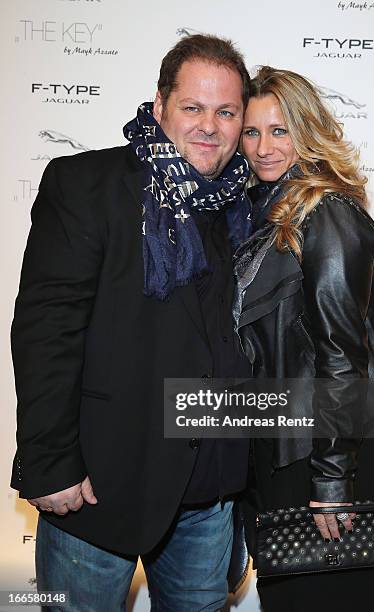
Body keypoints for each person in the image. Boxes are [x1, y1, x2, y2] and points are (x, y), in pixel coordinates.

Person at [10, 34, 253, 612]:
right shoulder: (85, 184)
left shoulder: (241, 205)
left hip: (207, 499)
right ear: (160, 103)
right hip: (97, 491)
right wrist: (49, 464)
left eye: (226, 112)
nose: (208, 126)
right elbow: (46, 331)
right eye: (193, 107)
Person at [234, 66, 374, 612]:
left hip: (326, 448)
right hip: (291, 435)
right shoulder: (266, 217)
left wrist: (333, 481)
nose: (263, 147)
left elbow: (339, 355)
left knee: (328, 598)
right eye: (252, 131)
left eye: (280, 130)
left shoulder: (326, 214)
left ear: (307, 131)